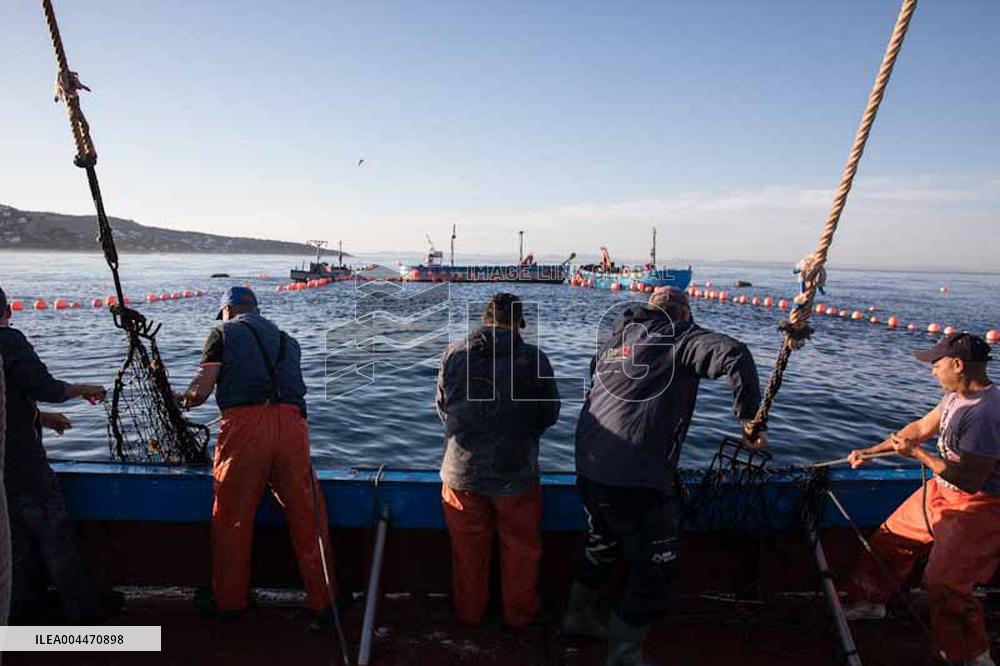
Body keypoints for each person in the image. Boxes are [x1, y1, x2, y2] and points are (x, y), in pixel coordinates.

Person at [562, 286, 764, 666]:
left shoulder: (613, 342)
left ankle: (578, 618)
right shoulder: (680, 336)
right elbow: (735, 354)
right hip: (636, 477)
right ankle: (623, 656)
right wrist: (749, 418)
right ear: (685, 314)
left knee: (602, 543)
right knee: (656, 570)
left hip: (590, 469)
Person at [176, 286, 335, 622]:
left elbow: (201, 392)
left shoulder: (222, 332)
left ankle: (229, 602)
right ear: (257, 310)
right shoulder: (288, 340)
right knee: (309, 516)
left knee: (232, 516)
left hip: (245, 429)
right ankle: (325, 601)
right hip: (293, 426)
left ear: (227, 311)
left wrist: (180, 398)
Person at [845, 332, 999, 666]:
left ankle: (972, 655)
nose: (932, 371)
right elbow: (920, 427)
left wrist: (916, 455)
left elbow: (971, 481)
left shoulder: (986, 414)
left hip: (979, 505)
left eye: (937, 364)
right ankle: (871, 602)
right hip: (941, 490)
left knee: (945, 583)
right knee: (890, 538)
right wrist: (872, 451)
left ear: (958, 365)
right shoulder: (955, 396)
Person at [436, 292, 560, 628]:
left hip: (461, 472)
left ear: (484, 318)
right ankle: (519, 617)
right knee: (521, 551)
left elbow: (443, 410)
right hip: (515, 472)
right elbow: (549, 414)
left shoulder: (453, 354)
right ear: (519, 323)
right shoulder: (535, 359)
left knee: (467, 553)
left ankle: (470, 615)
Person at [0, 285, 115, 623]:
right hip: (21, 463)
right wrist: (83, 389)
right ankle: (84, 614)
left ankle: (21, 608)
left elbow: (8, 394)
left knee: (13, 541)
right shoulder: (9, 341)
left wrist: (40, 418)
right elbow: (44, 387)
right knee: (53, 531)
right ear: (7, 311)